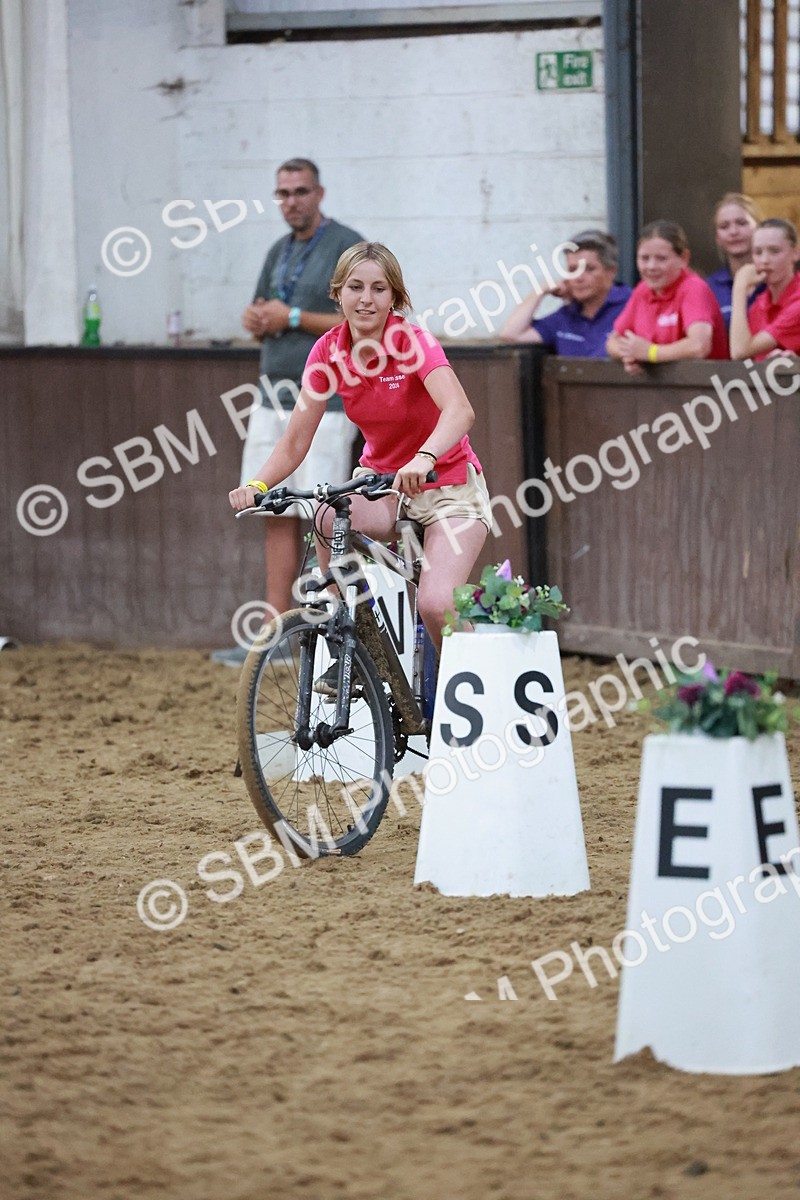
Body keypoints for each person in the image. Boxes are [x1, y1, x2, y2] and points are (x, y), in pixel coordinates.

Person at [229, 241, 491, 673]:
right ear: (337, 294)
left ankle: (472, 685)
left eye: (379, 289)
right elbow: (295, 441)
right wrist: (258, 485)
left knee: (436, 603)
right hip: (382, 485)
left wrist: (424, 457)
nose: (366, 299)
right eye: (355, 287)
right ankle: (351, 643)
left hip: (446, 485)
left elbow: (460, 411)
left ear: (395, 298)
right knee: (327, 515)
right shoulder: (326, 352)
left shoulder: (413, 342)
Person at [216, 158, 363, 665]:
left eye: (300, 191)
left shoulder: (347, 245)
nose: (291, 201)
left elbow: (358, 318)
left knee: (323, 514)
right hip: (271, 395)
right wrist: (258, 318)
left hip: (329, 401)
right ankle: (275, 630)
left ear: (319, 193)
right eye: (283, 193)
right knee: (272, 508)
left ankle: (331, 630)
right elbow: (265, 310)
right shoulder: (277, 250)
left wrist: (293, 316)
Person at [607, 219, 728, 373]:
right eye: (644, 258)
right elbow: (612, 342)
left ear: (684, 258)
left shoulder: (694, 288)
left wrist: (650, 353)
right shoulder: (642, 290)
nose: (651, 266)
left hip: (707, 384)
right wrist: (631, 356)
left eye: (661, 258)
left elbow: (699, 346)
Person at [499, 229, 631, 355]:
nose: (579, 278)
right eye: (573, 270)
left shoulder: (631, 305)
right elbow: (510, 334)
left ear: (611, 271)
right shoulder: (567, 315)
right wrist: (542, 290)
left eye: (589, 269)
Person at [730, 217, 800, 360]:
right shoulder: (758, 304)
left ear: (796, 253)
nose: (764, 260)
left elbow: (739, 351)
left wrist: (739, 288)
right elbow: (742, 359)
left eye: (774, 251)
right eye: (758, 252)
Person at [706, 193, 761, 328]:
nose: (733, 232)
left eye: (742, 223)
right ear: (717, 238)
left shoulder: (778, 280)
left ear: (759, 228)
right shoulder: (709, 287)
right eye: (724, 226)